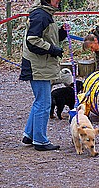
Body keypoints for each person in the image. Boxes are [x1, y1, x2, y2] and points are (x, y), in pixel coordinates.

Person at [19, 0, 68, 151]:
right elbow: (32, 41)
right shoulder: (41, 15)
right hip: (37, 66)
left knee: (40, 101)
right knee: (44, 103)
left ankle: (30, 134)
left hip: (41, 65)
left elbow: (48, 38)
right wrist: (52, 49)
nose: (59, 1)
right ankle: (40, 141)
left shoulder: (46, 15)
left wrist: (62, 33)